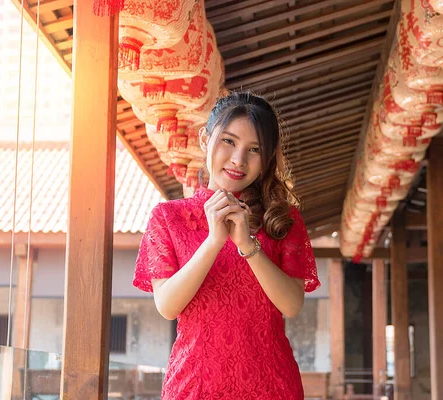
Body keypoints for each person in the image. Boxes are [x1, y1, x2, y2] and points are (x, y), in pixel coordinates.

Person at [133, 92, 321, 399]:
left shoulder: (283, 219)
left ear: (268, 158)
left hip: (270, 386)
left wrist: (247, 244)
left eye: (254, 149)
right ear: (205, 139)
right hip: (195, 385)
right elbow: (167, 306)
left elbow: (291, 304)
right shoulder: (168, 218)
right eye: (229, 141)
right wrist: (212, 242)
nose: (238, 160)